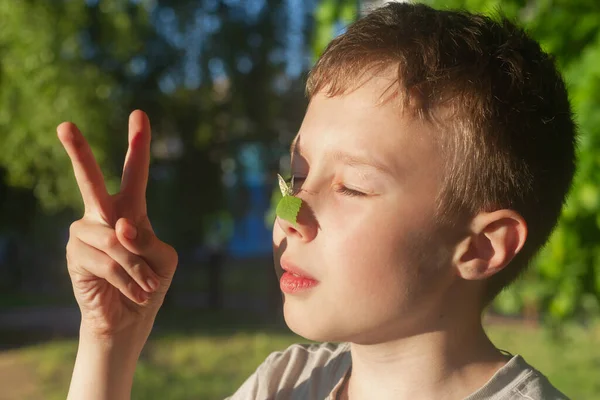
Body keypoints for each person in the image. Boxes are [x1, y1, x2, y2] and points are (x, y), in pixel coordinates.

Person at [59, 3, 575, 399]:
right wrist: (110, 340)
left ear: (482, 247)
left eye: (352, 185)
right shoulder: (285, 384)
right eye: (298, 175)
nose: (291, 216)